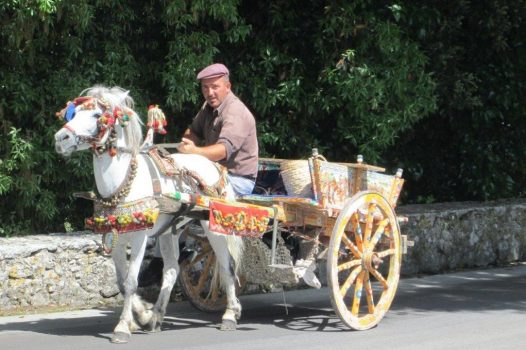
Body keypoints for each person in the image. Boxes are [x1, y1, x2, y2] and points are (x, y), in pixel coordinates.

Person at [139, 63, 259, 286]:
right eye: (205, 88)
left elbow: (223, 150)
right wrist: (188, 142)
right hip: (211, 175)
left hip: (236, 180)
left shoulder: (237, 113)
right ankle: (167, 254)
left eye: (214, 87)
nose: (210, 92)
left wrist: (194, 152)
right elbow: (192, 130)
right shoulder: (208, 108)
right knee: (176, 191)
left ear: (227, 86)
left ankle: (172, 252)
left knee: (186, 195)